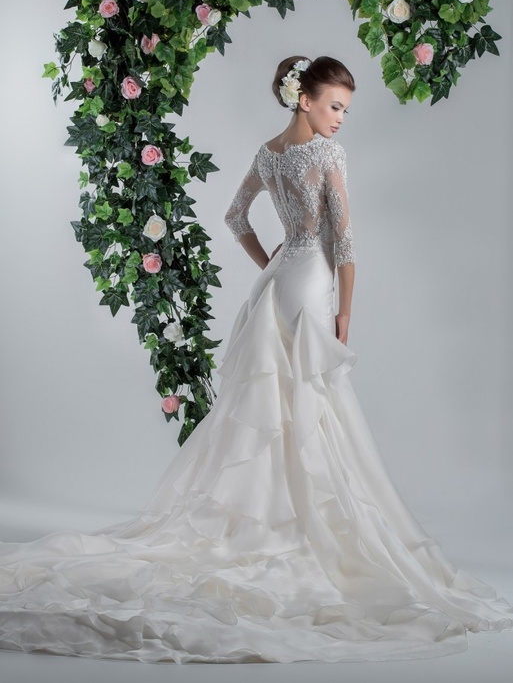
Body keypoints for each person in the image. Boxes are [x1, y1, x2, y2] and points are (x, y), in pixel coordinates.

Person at [0, 56, 512, 665]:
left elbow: (233, 217)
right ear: (304, 99)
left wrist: (272, 263)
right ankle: (304, 525)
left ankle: (273, 520)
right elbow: (345, 241)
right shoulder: (327, 155)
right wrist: (347, 313)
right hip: (312, 282)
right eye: (335, 106)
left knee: (271, 404)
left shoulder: (268, 155)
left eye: (346, 109)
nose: (341, 119)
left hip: (277, 281)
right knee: (309, 402)